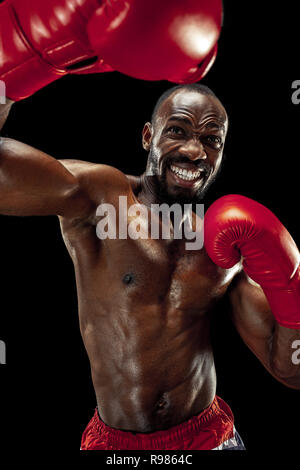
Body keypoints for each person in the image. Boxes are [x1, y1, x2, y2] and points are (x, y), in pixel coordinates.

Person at [1, 83, 299, 451]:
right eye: (177, 131)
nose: (194, 151)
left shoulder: (223, 245)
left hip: (208, 439)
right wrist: (13, 78)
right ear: (148, 136)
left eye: (211, 139)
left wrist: (293, 287)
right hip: (115, 447)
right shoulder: (100, 198)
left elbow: (290, 370)